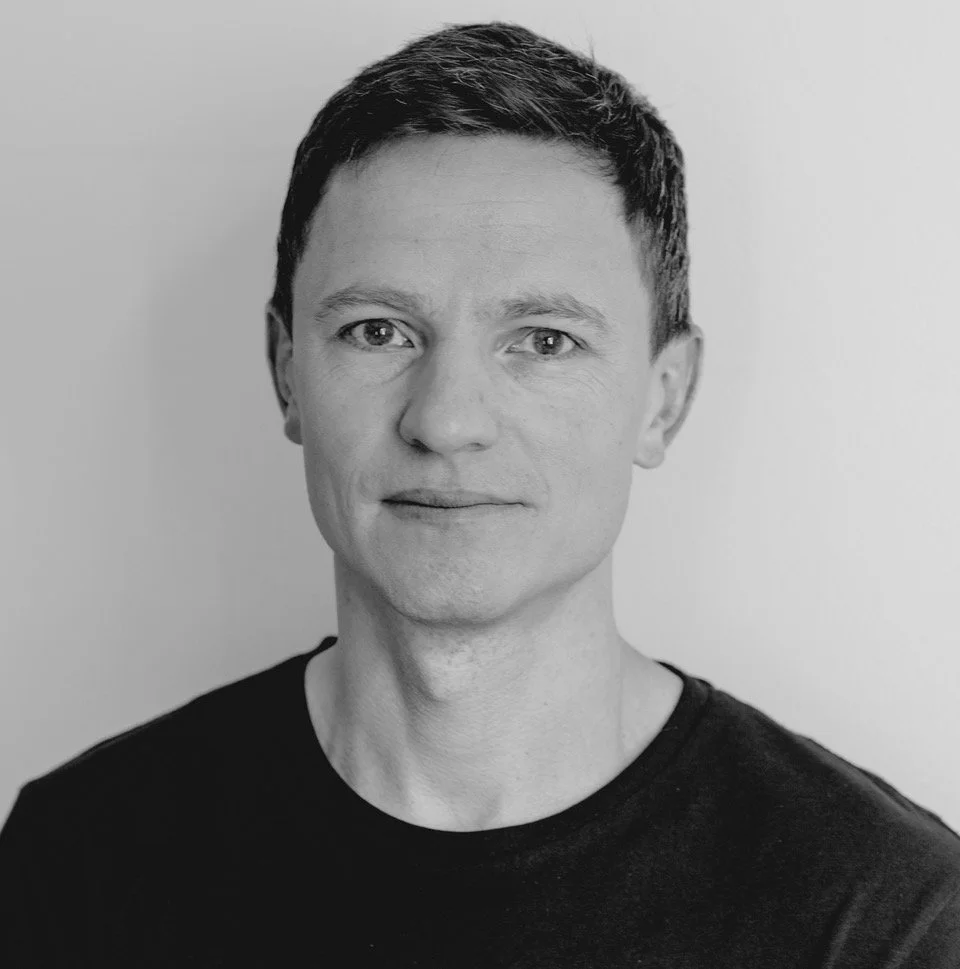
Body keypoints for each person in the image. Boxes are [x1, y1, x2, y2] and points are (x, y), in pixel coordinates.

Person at [1, 20, 958, 967]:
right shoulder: (79, 858)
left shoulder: (884, 914)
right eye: (379, 332)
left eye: (544, 340)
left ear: (664, 400)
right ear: (286, 371)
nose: (447, 419)